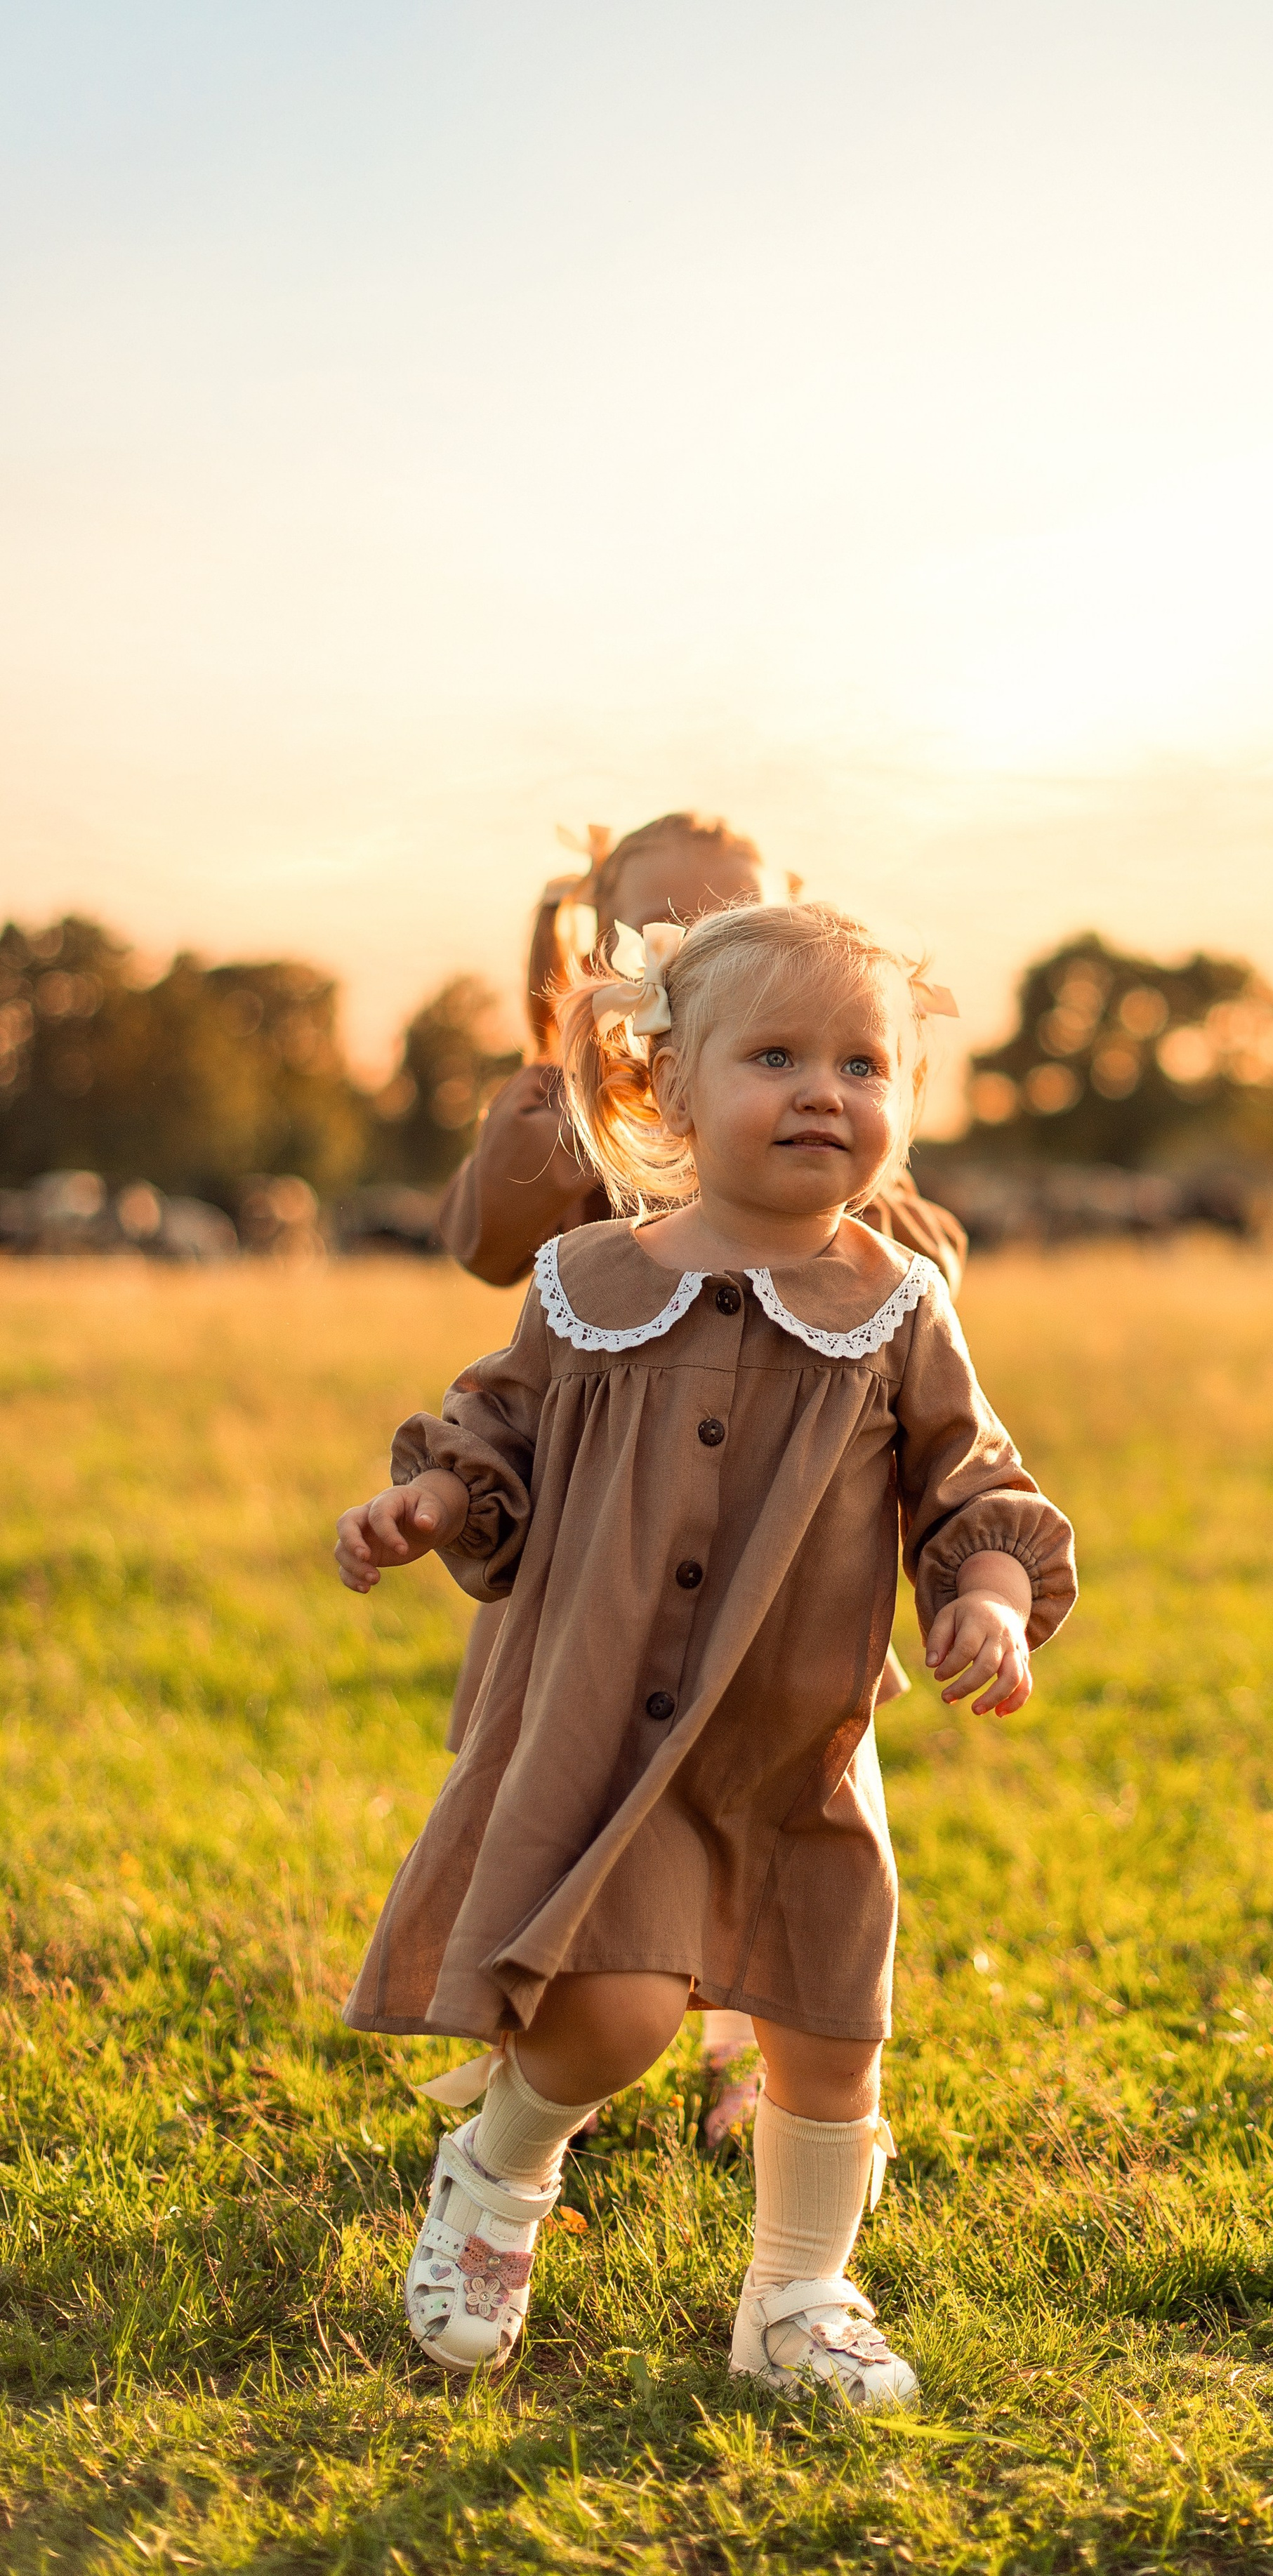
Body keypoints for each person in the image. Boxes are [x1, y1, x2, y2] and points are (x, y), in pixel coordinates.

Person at [335, 900, 1075, 2401]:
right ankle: (497, 2174)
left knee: (825, 2023)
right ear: (668, 1089)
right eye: (777, 1055)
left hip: (796, 1744)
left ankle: (797, 2297)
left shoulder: (896, 1308)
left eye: (865, 1063)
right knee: (608, 2012)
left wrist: (986, 1590)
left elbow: (974, 1482)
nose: (824, 1089)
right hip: (609, 1731)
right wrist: (430, 1496)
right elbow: (493, 1429)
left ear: (908, 1105)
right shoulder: (587, 1284)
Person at [433, 814, 968, 2143]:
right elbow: (485, 1247)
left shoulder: (833, 1159)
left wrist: (858, 1222)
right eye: (666, 930)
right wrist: (554, 1085)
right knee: (575, 1785)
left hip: (777, 1569)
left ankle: (746, 2047)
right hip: (604, 1548)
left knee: (774, 1806)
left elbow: (925, 1272)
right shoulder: (581, 1116)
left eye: (748, 918)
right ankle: (551, 2015)